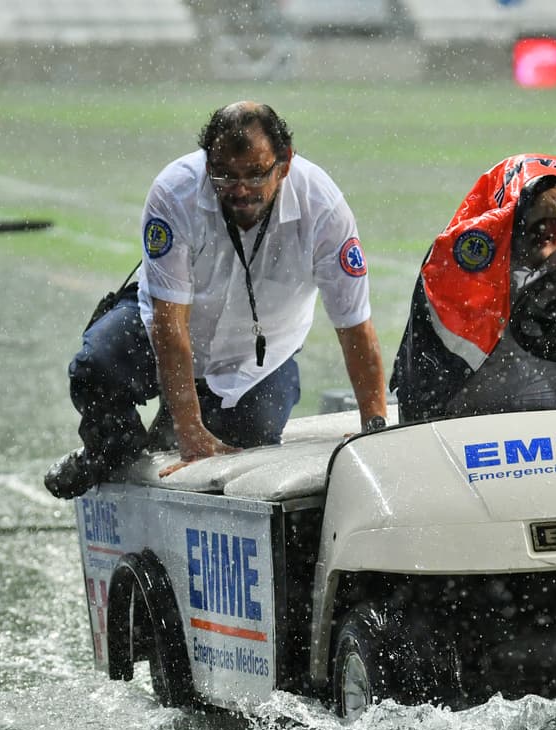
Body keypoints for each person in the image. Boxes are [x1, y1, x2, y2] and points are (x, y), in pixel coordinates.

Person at [45, 101, 388, 499]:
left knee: (241, 455)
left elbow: (354, 328)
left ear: (286, 162)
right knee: (97, 367)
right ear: (207, 162)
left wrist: (374, 428)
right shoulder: (175, 191)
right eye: (224, 175)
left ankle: (161, 439)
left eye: (255, 175)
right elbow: (169, 324)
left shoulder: (324, 210)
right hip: (164, 330)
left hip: (259, 358)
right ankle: (108, 454)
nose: (240, 191)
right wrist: (190, 427)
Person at [390, 154, 556, 423]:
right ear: (507, 214)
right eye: (536, 215)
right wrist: (532, 200)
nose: (546, 228)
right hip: (468, 428)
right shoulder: (458, 270)